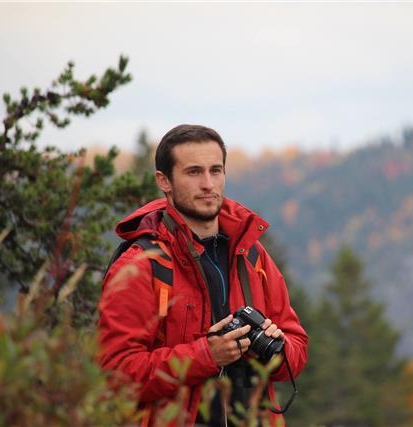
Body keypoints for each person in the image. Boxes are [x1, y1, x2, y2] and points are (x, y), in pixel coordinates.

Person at [98, 124, 308, 427]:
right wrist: (206, 355)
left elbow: (296, 353)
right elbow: (115, 374)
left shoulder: (251, 255)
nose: (208, 184)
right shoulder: (141, 266)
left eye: (216, 170)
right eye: (194, 172)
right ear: (164, 181)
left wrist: (276, 348)